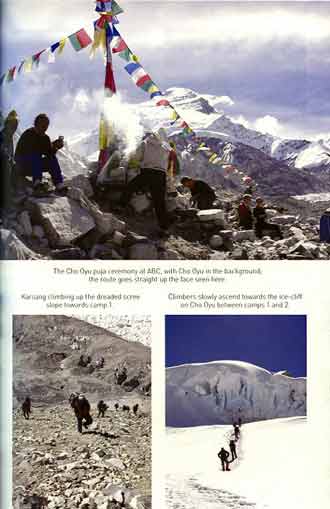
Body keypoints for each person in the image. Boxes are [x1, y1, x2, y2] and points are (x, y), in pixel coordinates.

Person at [120, 132, 172, 231]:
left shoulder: (145, 143)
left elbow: (136, 157)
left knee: (131, 186)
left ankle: (120, 205)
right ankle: (164, 226)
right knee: (159, 201)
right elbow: (168, 163)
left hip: (148, 172)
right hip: (161, 175)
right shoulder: (166, 147)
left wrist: (136, 162)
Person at [15, 113, 67, 195]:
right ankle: (37, 183)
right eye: (43, 124)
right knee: (35, 155)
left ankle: (59, 184)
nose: (45, 127)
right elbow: (27, 152)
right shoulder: (28, 134)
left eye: (47, 125)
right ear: (36, 124)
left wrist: (55, 147)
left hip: (35, 165)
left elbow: (49, 153)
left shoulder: (45, 138)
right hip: (23, 165)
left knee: (52, 158)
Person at [0, 110, 19, 212]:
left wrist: (12, 160)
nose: (14, 127)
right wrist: (8, 158)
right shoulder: (3, 135)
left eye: (16, 125)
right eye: (13, 124)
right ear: (7, 123)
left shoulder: (10, 138)